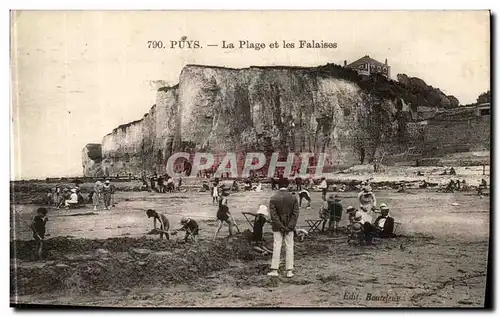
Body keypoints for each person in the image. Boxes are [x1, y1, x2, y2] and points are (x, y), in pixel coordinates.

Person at [267, 178, 299, 278]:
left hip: (277, 227)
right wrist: (289, 226)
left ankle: (274, 269)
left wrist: (280, 226)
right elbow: (295, 214)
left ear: (278, 186)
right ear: (287, 185)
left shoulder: (273, 198)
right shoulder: (293, 198)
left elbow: (273, 215)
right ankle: (289, 271)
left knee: (277, 246)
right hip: (289, 226)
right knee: (290, 246)